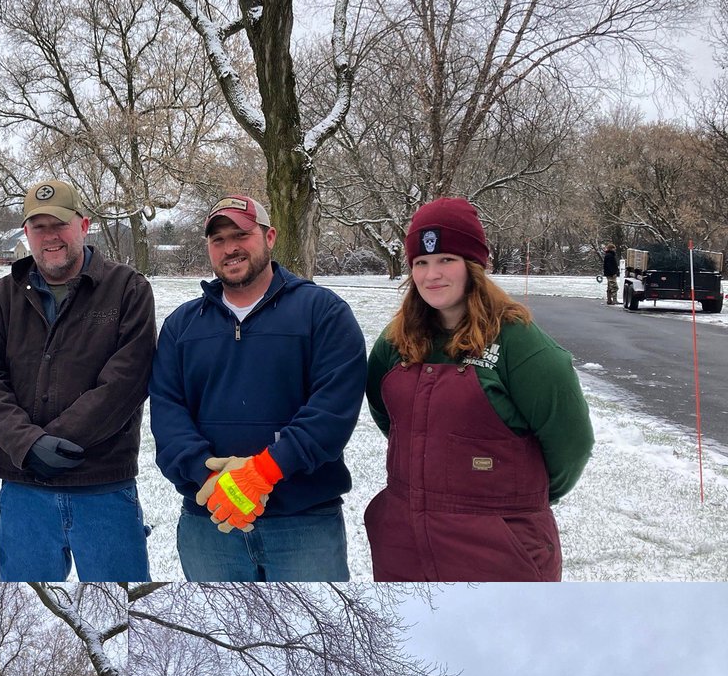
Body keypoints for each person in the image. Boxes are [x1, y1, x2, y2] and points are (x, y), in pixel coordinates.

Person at [365, 197, 594, 582]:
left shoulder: (520, 344)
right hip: (404, 546)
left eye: (446, 260)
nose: (432, 274)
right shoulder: (396, 341)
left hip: (499, 552)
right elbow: (386, 413)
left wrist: (512, 503)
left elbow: (571, 442)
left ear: (473, 265)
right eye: (421, 262)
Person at [150, 194, 367, 581]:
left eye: (241, 235)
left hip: (304, 525)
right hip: (210, 525)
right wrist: (209, 477)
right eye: (218, 240)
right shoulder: (182, 326)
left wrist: (263, 471)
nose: (230, 248)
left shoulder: (323, 313)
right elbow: (168, 414)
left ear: (270, 236)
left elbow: (332, 412)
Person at [0, 179, 155, 581]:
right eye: (39, 227)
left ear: (83, 225)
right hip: (24, 493)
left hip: (103, 486)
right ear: (27, 233)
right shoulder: (1, 298)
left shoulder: (127, 289)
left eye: (60, 225)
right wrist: (28, 444)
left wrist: (59, 441)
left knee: (118, 601)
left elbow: (127, 380)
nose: (50, 237)